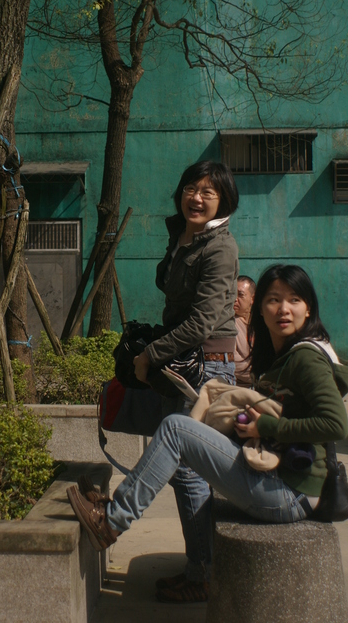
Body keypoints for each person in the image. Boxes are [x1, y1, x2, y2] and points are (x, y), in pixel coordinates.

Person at [68, 264, 348, 602]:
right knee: (183, 433)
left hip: (290, 493)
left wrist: (266, 426)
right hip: (276, 476)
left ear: (308, 308)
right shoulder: (279, 354)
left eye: (294, 299)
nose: (284, 309)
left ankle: (113, 521)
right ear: (259, 308)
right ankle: (194, 567)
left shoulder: (306, 358)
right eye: (274, 300)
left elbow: (336, 424)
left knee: (176, 428)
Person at [130, 160, 240, 602]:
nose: (196, 198)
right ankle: (201, 567)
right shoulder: (187, 237)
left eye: (208, 192)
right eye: (191, 189)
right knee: (183, 470)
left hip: (206, 364)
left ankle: (203, 575)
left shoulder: (220, 248)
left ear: (224, 201)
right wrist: (178, 239)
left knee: (188, 471)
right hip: (188, 362)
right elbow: (168, 286)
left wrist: (149, 355)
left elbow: (201, 321)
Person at [234, 275, 255, 387]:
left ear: (253, 299)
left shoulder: (262, 323)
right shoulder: (229, 324)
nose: (235, 299)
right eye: (232, 294)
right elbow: (234, 363)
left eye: (240, 295)